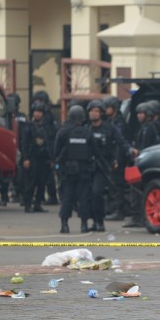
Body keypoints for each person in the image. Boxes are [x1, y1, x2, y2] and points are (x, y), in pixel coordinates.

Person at [54, 105, 97, 234]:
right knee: (84, 197)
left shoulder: (63, 132)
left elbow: (56, 151)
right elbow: (94, 151)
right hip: (84, 170)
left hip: (68, 170)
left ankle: (64, 225)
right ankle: (84, 225)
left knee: (67, 196)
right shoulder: (87, 132)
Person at [86, 99, 124, 232]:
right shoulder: (86, 129)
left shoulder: (109, 128)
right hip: (87, 167)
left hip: (102, 167)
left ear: (101, 113)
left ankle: (100, 221)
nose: (94, 114)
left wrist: (125, 154)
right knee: (88, 195)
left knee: (97, 193)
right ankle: (93, 221)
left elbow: (120, 142)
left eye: (96, 111)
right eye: (91, 111)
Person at [123, 102, 160, 228]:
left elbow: (146, 148)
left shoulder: (148, 128)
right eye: (138, 113)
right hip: (144, 161)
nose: (139, 116)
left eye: (141, 113)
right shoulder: (144, 127)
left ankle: (138, 218)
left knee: (137, 190)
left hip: (144, 162)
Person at [21, 102, 52, 213]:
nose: (37, 114)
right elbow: (24, 143)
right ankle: (28, 204)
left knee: (42, 182)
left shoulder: (45, 127)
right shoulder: (28, 126)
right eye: (36, 112)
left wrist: (50, 158)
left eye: (40, 112)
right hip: (32, 157)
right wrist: (26, 158)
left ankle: (38, 204)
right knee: (31, 181)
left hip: (43, 158)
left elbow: (49, 142)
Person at [0, 92, 28, 207]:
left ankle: (20, 195)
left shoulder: (21, 117)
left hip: (18, 147)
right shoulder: (4, 116)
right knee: (4, 173)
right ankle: (4, 196)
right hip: (7, 147)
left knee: (20, 173)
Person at [103, 96, 130, 221]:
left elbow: (119, 143)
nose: (105, 109)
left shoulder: (119, 122)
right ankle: (113, 208)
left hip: (118, 158)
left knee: (117, 185)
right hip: (111, 157)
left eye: (107, 107)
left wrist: (117, 160)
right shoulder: (110, 121)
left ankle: (119, 211)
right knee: (111, 184)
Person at [32, 90, 59, 205]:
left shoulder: (47, 115)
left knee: (48, 174)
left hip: (48, 146)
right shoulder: (45, 114)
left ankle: (52, 196)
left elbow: (48, 133)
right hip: (46, 146)